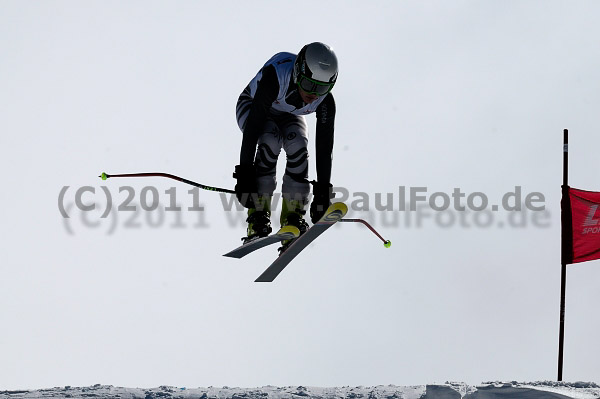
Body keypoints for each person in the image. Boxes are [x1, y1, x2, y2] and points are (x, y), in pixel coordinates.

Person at [233, 42, 338, 249]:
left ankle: (293, 217)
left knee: (298, 145)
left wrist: (322, 192)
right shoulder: (275, 77)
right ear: (298, 73)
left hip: (289, 114)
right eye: (309, 85)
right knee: (270, 141)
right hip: (252, 106)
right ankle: (258, 216)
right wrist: (245, 174)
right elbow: (254, 128)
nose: (313, 96)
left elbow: (325, 148)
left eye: (323, 88)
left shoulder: (325, 102)